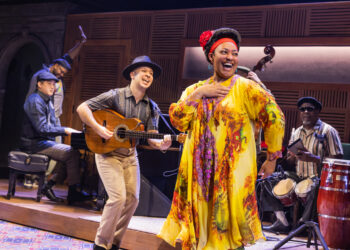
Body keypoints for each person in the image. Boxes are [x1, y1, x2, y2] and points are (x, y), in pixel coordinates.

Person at [158, 27, 285, 250]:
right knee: (197, 231)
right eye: (224, 52)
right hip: (199, 177)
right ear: (211, 56)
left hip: (231, 177)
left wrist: (272, 157)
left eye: (234, 53)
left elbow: (275, 117)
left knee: (229, 233)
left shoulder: (246, 88)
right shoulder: (194, 90)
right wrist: (199, 95)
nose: (230, 58)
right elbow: (178, 121)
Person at [76, 55, 172, 250]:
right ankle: (100, 244)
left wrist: (161, 144)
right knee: (118, 198)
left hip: (130, 155)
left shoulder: (151, 107)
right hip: (107, 153)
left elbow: (151, 137)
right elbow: (82, 108)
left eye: (151, 73)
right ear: (132, 74)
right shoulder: (115, 95)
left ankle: (114, 243)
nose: (148, 75)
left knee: (133, 199)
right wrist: (97, 128)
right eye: (144, 71)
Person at [261, 96, 343, 233]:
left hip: (318, 176)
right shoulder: (297, 132)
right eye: (302, 109)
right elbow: (289, 161)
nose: (305, 112)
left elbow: (338, 158)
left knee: (316, 186)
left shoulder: (328, 131)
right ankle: (282, 221)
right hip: (298, 175)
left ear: (317, 111)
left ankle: (303, 225)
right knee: (267, 180)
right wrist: (292, 157)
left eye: (310, 109)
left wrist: (315, 158)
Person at [24, 26, 87, 189]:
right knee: (64, 153)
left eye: (62, 74)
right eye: (60, 71)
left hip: (53, 120)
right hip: (42, 121)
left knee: (68, 152)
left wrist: (81, 43)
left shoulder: (56, 74)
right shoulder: (41, 78)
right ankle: (37, 178)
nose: (60, 76)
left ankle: (48, 184)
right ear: (54, 65)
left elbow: (69, 57)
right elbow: (32, 102)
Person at [20, 71, 89, 204]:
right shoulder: (35, 101)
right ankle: (72, 193)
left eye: (54, 84)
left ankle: (50, 186)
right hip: (33, 143)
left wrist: (65, 131)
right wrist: (65, 130)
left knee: (72, 152)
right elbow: (42, 128)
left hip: (42, 141)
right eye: (49, 84)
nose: (52, 87)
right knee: (71, 153)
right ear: (39, 84)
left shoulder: (47, 100)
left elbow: (53, 123)